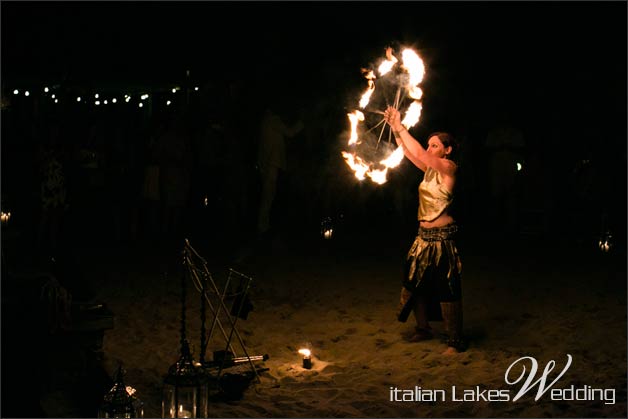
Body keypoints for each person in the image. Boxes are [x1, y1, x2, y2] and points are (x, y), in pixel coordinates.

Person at [383, 106, 464, 355]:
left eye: (435, 146)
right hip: (422, 238)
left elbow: (417, 150)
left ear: (447, 150)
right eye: (428, 146)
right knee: (414, 282)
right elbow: (410, 152)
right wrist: (395, 129)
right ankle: (423, 327)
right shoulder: (430, 169)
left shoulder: (449, 169)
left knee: (446, 287)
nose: (429, 150)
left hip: (442, 240)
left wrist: (401, 126)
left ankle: (454, 340)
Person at [256, 104, 303, 236]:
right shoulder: (273, 120)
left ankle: (264, 224)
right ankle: (263, 226)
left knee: (267, 195)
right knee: (268, 195)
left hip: (266, 163)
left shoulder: (265, 122)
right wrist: (303, 123)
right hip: (272, 163)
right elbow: (290, 132)